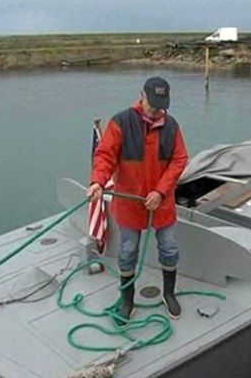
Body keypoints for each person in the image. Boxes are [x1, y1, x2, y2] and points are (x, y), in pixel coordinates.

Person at [87, 76, 189, 321]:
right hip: (129, 204)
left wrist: (160, 191)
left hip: (161, 203)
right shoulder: (120, 122)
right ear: (141, 95)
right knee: (127, 251)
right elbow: (104, 156)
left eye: (161, 105)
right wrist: (97, 182)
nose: (156, 110)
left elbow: (179, 160)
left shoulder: (172, 126)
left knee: (169, 248)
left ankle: (169, 293)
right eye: (152, 103)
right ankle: (127, 301)